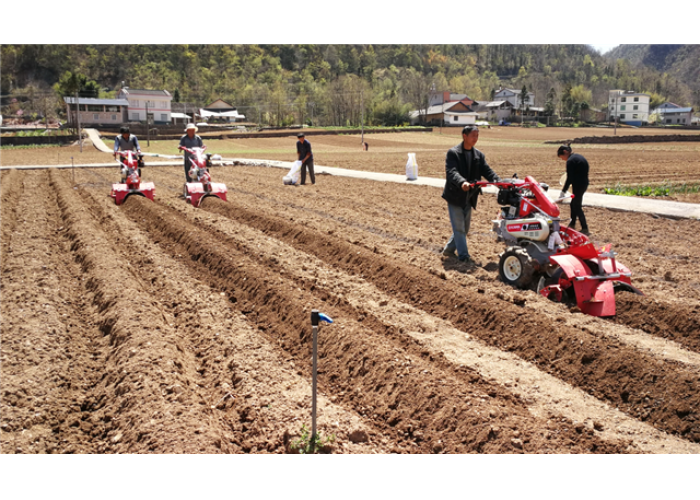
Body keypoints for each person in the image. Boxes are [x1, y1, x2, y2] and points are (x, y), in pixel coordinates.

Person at [441, 125, 501, 262]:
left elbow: (487, 171)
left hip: (469, 196)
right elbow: (452, 172)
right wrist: (462, 182)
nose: (476, 138)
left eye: (477, 136)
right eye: (473, 135)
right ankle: (464, 256)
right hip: (455, 195)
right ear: (465, 136)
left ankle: (449, 250)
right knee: (459, 228)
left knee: (464, 228)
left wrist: (498, 181)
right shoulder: (453, 153)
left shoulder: (478, 155)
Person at [557, 145, 590, 235]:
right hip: (584, 183)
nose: (563, 159)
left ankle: (585, 228)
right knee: (573, 204)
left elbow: (569, 178)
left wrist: (563, 191)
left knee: (577, 205)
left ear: (565, 152)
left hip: (578, 185)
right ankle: (572, 223)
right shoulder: (578, 157)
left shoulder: (571, 161)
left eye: (562, 157)